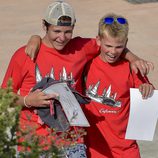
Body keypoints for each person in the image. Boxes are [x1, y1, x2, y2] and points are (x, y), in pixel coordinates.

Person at [1, 1, 153, 157]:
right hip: (33, 142)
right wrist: (28, 100)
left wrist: (133, 58)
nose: (62, 37)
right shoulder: (25, 55)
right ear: (44, 26)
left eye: (68, 31)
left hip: (72, 142)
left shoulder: (81, 48)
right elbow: (3, 97)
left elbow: (112, 43)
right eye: (56, 31)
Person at [83, 13, 154, 158]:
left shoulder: (131, 67)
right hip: (95, 149)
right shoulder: (86, 64)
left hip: (126, 149)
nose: (113, 52)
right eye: (108, 46)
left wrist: (148, 88)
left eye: (119, 47)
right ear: (98, 40)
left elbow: (147, 89)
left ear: (126, 43)